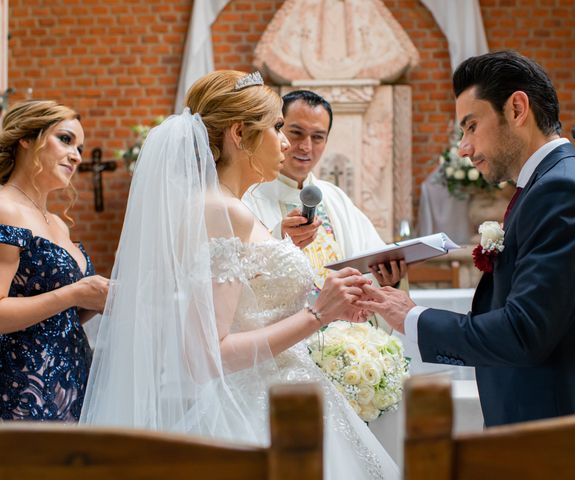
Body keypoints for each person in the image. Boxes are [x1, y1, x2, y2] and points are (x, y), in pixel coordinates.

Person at [80, 71, 399, 479]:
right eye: (278, 128)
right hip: (256, 410)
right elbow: (207, 353)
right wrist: (317, 314)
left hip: (289, 396)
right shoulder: (222, 210)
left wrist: (303, 271)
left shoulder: (232, 206)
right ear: (238, 133)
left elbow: (251, 299)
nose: (286, 143)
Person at [357, 51, 575, 427]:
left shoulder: (565, 193)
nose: (464, 147)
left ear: (517, 109)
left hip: (565, 434)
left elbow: (522, 332)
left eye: (471, 126)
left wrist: (411, 317)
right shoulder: (550, 186)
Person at [0, 100, 109, 421]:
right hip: (25, 387)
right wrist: (74, 293)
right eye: (65, 139)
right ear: (26, 139)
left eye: (80, 147)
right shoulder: (5, 208)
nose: (76, 155)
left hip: (74, 378)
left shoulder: (58, 223)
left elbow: (57, 317)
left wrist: (96, 301)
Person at [242, 90, 406, 299]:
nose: (306, 147)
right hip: (290, 328)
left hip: (349, 326)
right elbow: (238, 280)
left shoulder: (334, 198)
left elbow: (372, 262)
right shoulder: (250, 196)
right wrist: (278, 238)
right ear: (278, 132)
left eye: (317, 137)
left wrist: (388, 279)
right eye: (296, 133)